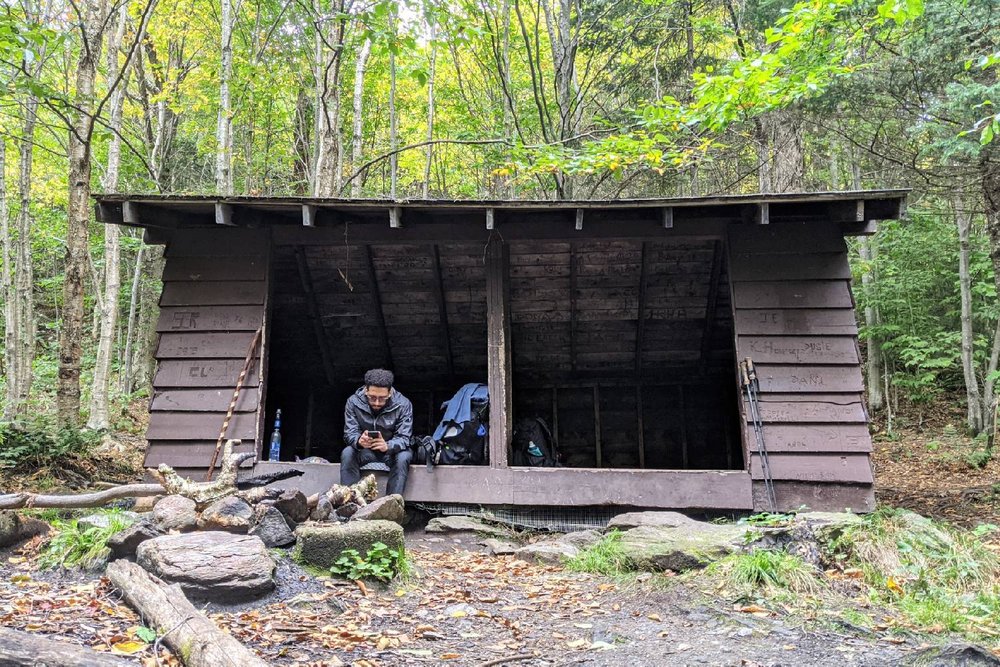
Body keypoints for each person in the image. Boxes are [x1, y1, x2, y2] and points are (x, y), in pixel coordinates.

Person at [341, 368, 414, 496]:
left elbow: (404, 438)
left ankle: (393, 502)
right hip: (366, 451)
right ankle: (349, 501)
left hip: (391, 453)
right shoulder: (353, 402)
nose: (377, 402)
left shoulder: (403, 404)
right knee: (347, 452)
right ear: (365, 390)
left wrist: (388, 446)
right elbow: (349, 433)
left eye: (382, 398)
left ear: (390, 392)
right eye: (372, 397)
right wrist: (358, 441)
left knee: (404, 456)